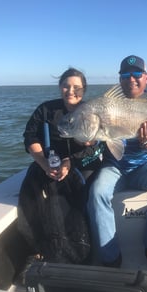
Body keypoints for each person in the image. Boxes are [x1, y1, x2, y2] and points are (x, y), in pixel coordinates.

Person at [87, 55, 147, 282]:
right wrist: (88, 139)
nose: (132, 79)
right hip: (114, 168)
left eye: (137, 74)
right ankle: (111, 259)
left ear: (146, 78)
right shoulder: (108, 102)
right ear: (120, 79)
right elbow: (105, 142)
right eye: (126, 75)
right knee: (97, 192)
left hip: (145, 166)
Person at [18, 67, 104, 266]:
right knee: (33, 197)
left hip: (81, 164)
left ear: (84, 90)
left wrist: (70, 161)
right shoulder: (45, 110)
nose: (71, 91)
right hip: (48, 164)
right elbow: (30, 136)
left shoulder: (92, 112)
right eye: (66, 86)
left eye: (77, 87)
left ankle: (80, 251)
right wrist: (44, 163)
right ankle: (38, 249)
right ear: (60, 87)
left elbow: (98, 147)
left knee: (81, 197)